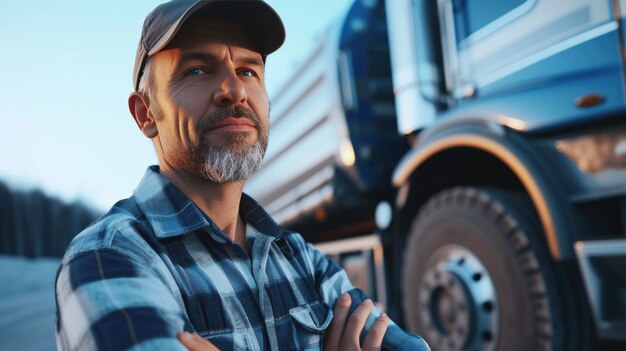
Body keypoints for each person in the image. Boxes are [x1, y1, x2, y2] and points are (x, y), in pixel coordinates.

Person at [54, 1, 430, 350]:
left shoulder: (299, 257)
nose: (234, 90)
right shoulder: (109, 258)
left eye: (248, 70)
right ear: (146, 114)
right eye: (197, 70)